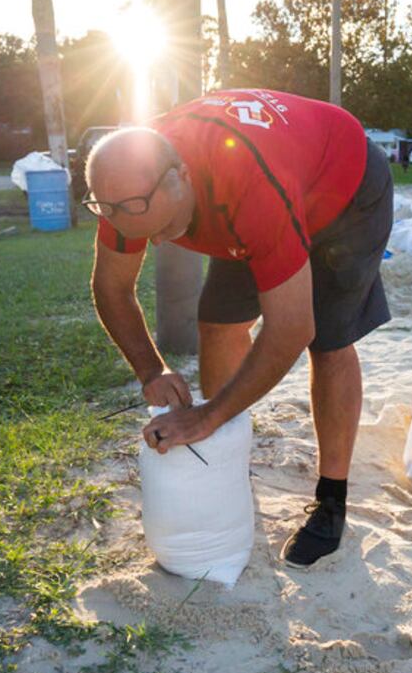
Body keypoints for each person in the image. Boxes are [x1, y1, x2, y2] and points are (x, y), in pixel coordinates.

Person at [85, 89, 393, 568]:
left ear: (181, 178)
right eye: (145, 234)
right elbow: (111, 288)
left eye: (166, 228)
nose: (161, 243)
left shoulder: (248, 187)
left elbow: (292, 328)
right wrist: (151, 370)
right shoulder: (127, 184)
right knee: (219, 324)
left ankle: (332, 499)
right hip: (262, 189)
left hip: (342, 189)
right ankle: (227, 463)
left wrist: (205, 416)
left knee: (328, 340)